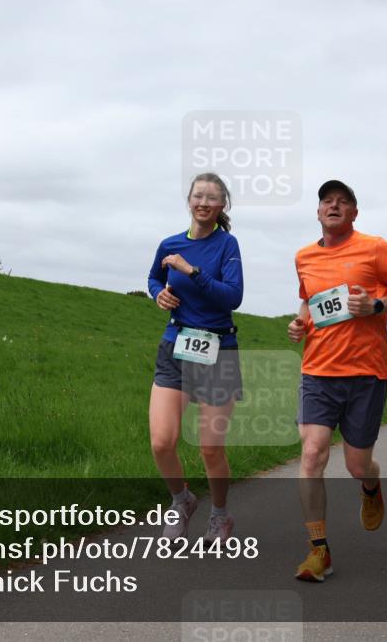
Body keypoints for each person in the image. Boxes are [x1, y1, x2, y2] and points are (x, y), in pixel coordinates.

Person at [287, 179, 387, 582]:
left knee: (356, 464)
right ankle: (319, 550)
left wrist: (376, 304)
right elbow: (309, 299)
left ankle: (371, 486)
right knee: (312, 454)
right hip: (317, 372)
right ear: (317, 212)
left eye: (343, 201)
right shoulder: (304, 256)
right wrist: (300, 323)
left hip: (366, 374)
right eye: (327, 201)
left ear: (354, 213)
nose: (334, 206)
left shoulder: (375, 248)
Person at [147, 173, 243, 542]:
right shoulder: (170, 244)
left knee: (210, 448)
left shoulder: (227, 245)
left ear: (222, 206)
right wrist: (159, 294)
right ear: (189, 200)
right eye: (198, 195)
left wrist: (192, 272)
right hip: (176, 347)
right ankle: (181, 500)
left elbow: (233, 296)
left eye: (212, 197)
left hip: (218, 351)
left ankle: (219, 515)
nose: (203, 202)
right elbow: (154, 278)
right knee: (162, 442)